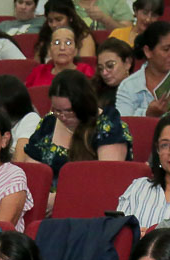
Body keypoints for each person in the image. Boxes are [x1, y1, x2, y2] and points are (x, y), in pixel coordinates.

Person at [24, 70, 133, 202]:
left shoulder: (108, 124)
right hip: (44, 202)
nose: (62, 116)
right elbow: (32, 174)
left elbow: (107, 180)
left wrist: (58, 199)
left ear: (84, 104)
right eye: (57, 110)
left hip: (89, 202)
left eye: (69, 111)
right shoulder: (49, 124)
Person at [27, 26, 97, 88]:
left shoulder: (85, 71)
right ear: (49, 50)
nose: (62, 48)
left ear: (76, 50)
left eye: (68, 43)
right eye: (57, 43)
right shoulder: (38, 72)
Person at [94, 37, 135, 107]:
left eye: (110, 65)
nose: (104, 73)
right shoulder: (94, 90)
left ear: (127, 63)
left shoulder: (140, 90)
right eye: (100, 68)